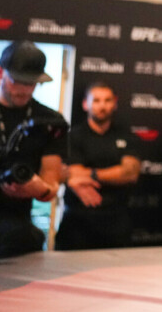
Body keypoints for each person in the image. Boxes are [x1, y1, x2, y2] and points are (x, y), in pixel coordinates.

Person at [0, 41, 65, 257]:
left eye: (32, 83)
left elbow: (50, 185)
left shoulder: (50, 121)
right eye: (17, 81)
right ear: (1, 73)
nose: (24, 90)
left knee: (27, 237)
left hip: (16, 227)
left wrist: (39, 188)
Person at [57, 82, 141, 250]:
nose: (102, 106)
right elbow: (73, 173)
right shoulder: (73, 136)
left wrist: (91, 175)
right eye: (96, 100)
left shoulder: (127, 136)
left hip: (116, 220)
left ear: (115, 103)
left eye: (107, 100)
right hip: (78, 220)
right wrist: (113, 173)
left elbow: (130, 173)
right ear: (85, 104)